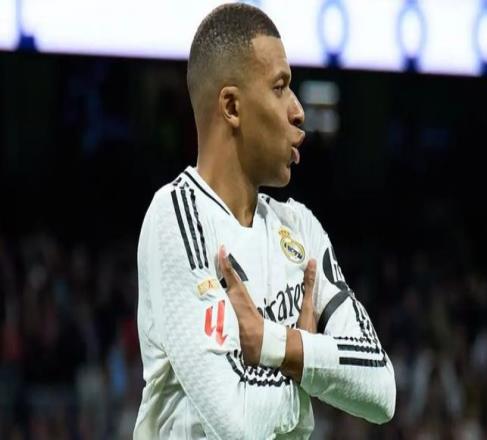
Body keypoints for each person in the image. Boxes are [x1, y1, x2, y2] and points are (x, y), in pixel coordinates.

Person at [134, 3, 396, 439]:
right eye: (279, 88)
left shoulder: (300, 229)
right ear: (232, 107)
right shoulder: (178, 217)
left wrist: (277, 344)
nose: (298, 111)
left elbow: (381, 388)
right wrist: (303, 370)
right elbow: (236, 423)